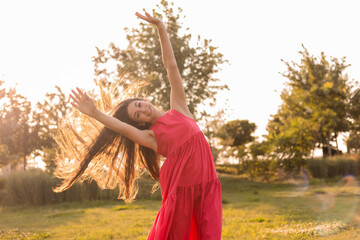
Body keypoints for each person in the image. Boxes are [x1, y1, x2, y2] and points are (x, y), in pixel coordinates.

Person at [55, 10, 222, 239]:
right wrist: (95, 113)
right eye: (138, 116)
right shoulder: (151, 137)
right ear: (141, 124)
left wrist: (161, 29)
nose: (144, 110)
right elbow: (121, 127)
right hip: (181, 194)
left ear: (143, 99)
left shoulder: (180, 108)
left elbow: (171, 67)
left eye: (139, 105)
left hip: (209, 187)